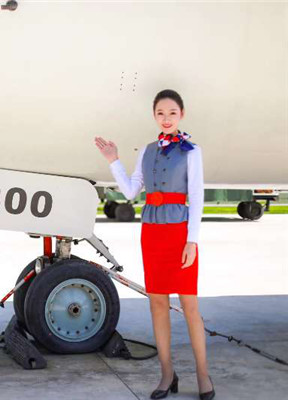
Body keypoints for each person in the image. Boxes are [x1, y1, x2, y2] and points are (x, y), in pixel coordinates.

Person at [94, 89, 214, 400]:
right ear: (154, 116)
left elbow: (197, 197)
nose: (166, 118)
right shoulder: (147, 151)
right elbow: (131, 191)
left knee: (189, 306)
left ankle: (203, 374)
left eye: (172, 113)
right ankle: (167, 374)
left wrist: (192, 241)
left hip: (180, 234)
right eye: (161, 113)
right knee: (157, 304)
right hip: (152, 233)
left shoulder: (192, 151)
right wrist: (113, 160)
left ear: (181, 115)